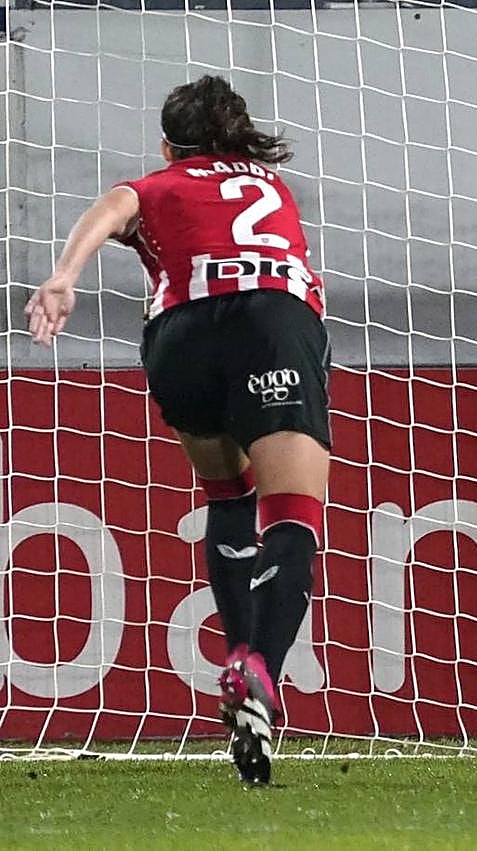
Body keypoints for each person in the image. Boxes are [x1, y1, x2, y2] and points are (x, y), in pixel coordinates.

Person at [25, 75, 329, 785]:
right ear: (239, 135)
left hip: (179, 335)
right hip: (270, 318)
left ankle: (236, 656)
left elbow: (113, 205)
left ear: (168, 144)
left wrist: (66, 274)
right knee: (292, 513)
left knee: (227, 493)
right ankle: (259, 669)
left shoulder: (159, 183)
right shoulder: (273, 188)